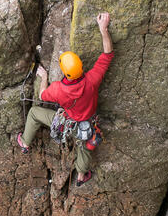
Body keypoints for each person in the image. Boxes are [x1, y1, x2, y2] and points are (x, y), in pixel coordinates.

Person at [17, 12, 114, 186]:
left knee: (34, 113)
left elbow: (42, 96)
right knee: (85, 149)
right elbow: (107, 54)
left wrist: (44, 78)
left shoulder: (58, 90)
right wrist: (103, 29)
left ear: (64, 72)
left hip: (68, 123)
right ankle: (81, 176)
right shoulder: (92, 80)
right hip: (87, 124)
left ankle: (25, 142)